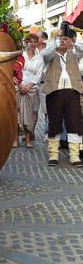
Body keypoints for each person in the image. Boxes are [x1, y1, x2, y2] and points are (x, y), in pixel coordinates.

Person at [41, 23, 83, 167]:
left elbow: (81, 50)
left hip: (73, 92)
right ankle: (53, 154)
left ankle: (74, 155)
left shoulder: (74, 53)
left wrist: (73, 43)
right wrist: (56, 42)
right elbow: (44, 55)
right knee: (54, 123)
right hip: (55, 92)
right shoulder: (50, 54)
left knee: (75, 123)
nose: (64, 41)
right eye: (62, 39)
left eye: (66, 39)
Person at [15, 33, 44, 148]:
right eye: (30, 41)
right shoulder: (20, 56)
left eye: (35, 41)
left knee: (30, 114)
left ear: (37, 43)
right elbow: (14, 71)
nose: (32, 44)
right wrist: (20, 85)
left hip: (32, 89)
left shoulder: (39, 58)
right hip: (18, 87)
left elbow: (39, 75)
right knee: (16, 114)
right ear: (26, 42)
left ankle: (28, 139)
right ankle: (15, 138)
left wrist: (29, 86)